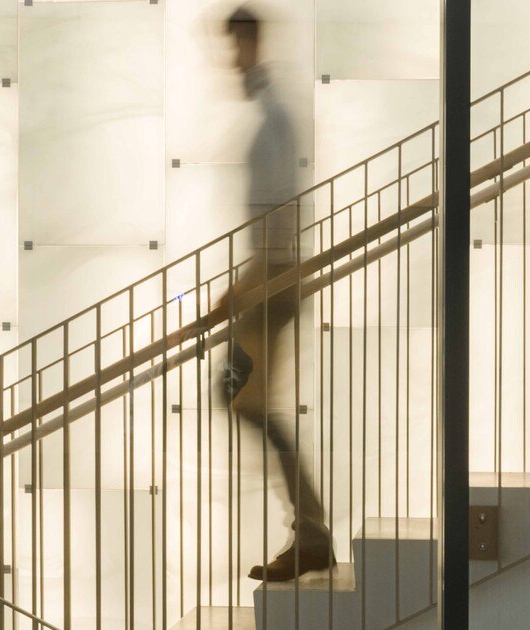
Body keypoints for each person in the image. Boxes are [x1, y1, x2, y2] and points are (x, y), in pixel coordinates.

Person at [214, 5, 335, 583]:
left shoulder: (274, 119)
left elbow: (279, 220)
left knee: (247, 402)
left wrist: (248, 288)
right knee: (243, 400)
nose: (229, 61)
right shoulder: (271, 114)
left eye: (235, 47)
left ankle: (311, 533)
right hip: (268, 281)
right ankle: (310, 531)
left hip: (275, 284)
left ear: (251, 45)